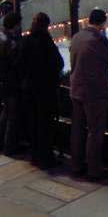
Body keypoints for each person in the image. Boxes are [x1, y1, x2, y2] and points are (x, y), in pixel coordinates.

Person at [70, 9, 108, 181]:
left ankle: (76, 165)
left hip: (76, 90)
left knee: (77, 130)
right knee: (94, 132)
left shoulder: (77, 36)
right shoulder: (98, 39)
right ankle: (94, 169)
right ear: (102, 23)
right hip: (93, 93)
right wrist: (107, 43)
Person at [18, 13, 64, 169]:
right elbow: (58, 63)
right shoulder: (45, 41)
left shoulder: (26, 40)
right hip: (44, 90)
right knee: (45, 125)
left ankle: (35, 154)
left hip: (29, 90)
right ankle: (45, 158)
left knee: (33, 122)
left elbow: (19, 63)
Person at [0, 13, 23, 155]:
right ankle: (9, 146)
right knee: (12, 115)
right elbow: (12, 62)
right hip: (10, 82)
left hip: (4, 81)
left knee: (6, 112)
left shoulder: (3, 37)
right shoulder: (8, 41)